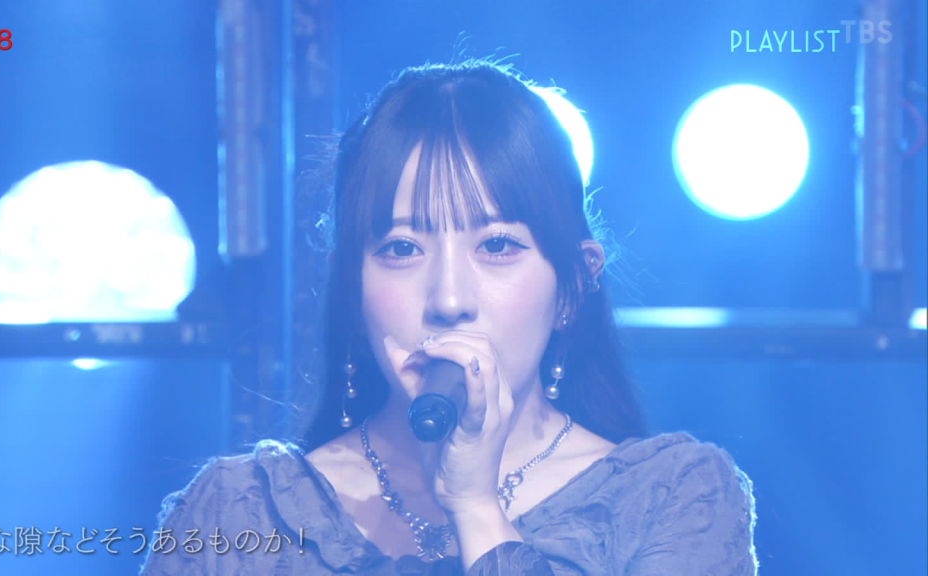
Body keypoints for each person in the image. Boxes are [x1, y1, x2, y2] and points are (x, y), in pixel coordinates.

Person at [140, 59, 758, 575]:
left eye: (497, 245)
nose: (449, 298)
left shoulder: (674, 499)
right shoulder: (238, 514)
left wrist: (475, 504)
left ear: (572, 287)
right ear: (351, 290)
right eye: (402, 249)